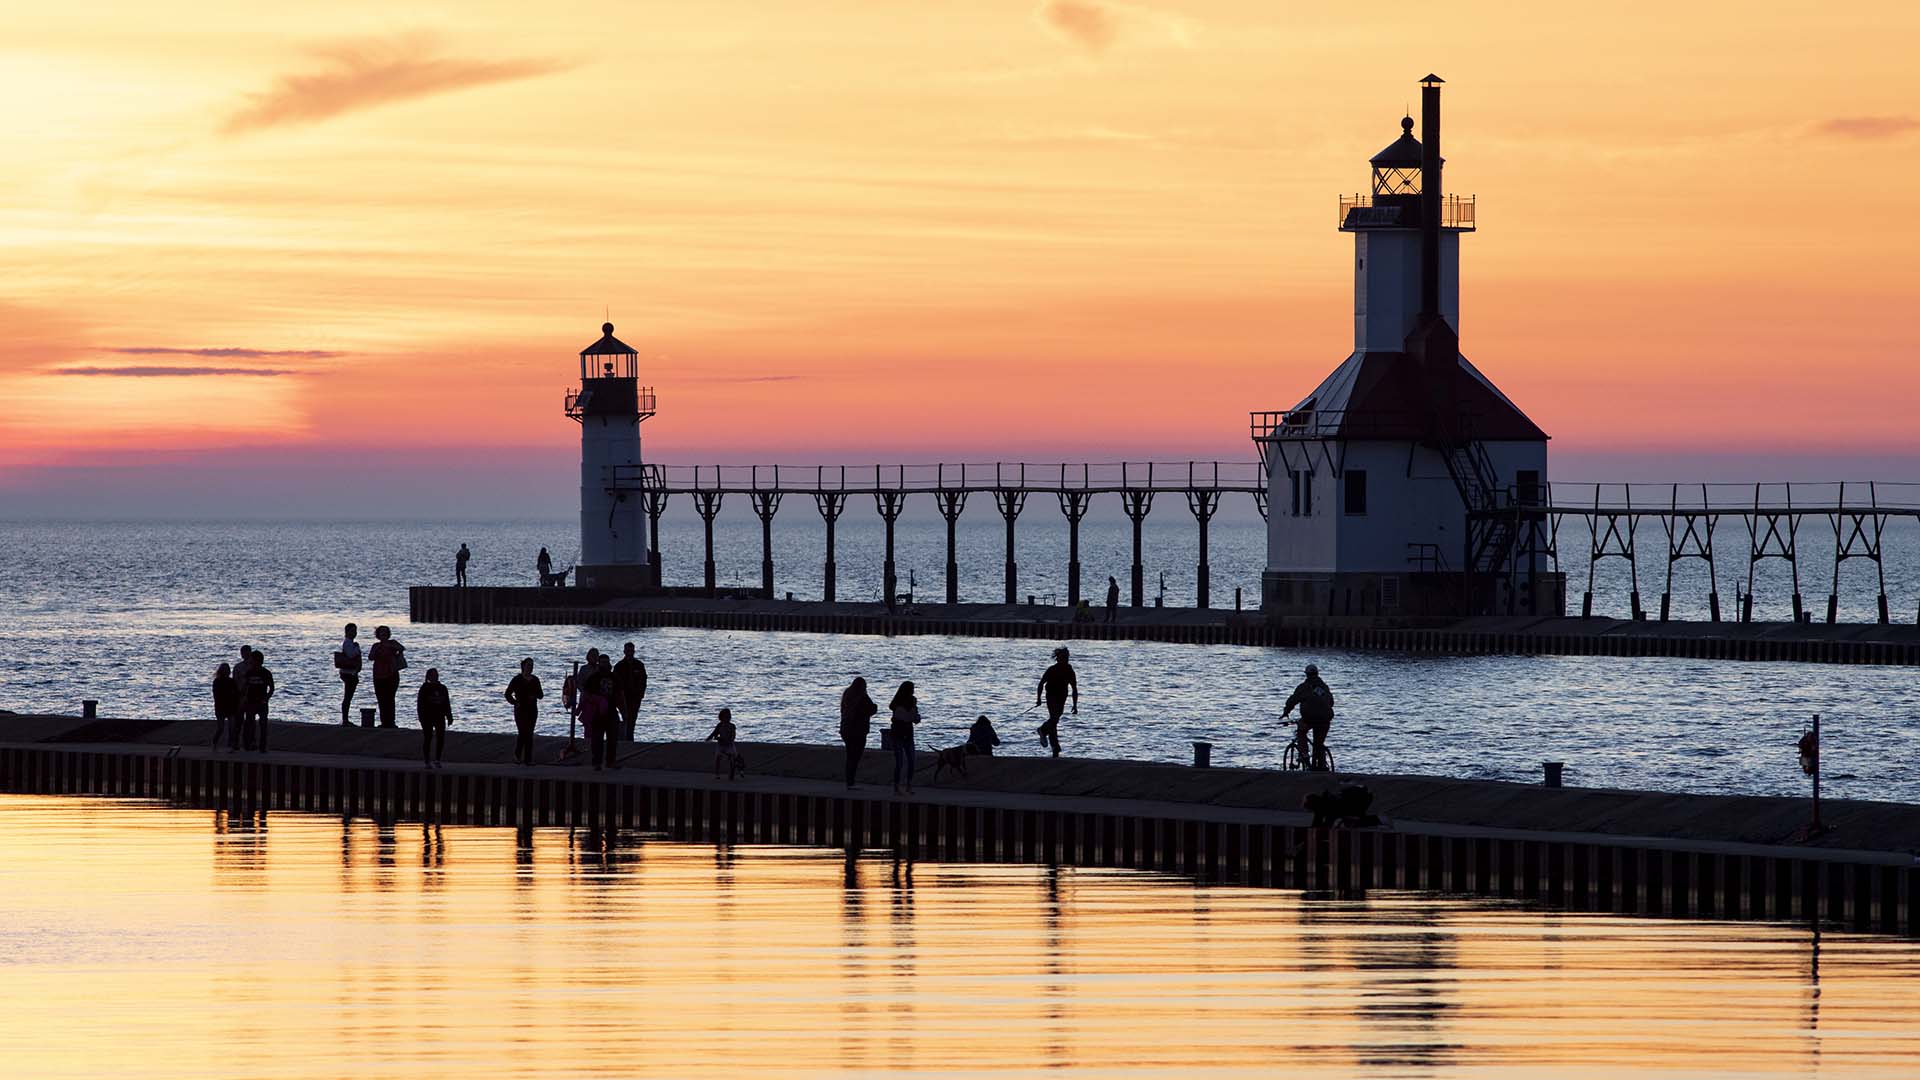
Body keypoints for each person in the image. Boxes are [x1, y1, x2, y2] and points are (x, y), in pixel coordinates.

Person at [1280, 663, 1335, 771]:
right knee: (1318, 743)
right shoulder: (1324, 687)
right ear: (1317, 674)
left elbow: (1293, 700)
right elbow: (1331, 702)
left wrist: (1286, 712)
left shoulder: (1303, 687)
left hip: (1309, 718)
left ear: (1306, 675)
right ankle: (1322, 766)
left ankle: (1304, 754)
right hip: (1325, 719)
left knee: (1301, 732)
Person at [1034, 647, 1078, 757]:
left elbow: (1074, 688)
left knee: (1054, 721)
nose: (1066, 660)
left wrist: (1075, 705)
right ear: (1058, 659)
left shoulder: (1069, 671)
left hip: (1062, 698)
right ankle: (1044, 732)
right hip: (1051, 697)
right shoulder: (1052, 670)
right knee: (1054, 719)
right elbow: (1041, 684)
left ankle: (1054, 748)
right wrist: (1038, 699)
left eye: (1067, 657)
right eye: (1063, 657)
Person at [580, 652, 618, 771]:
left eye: (606, 662)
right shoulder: (593, 678)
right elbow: (586, 693)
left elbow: (620, 694)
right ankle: (597, 761)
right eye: (602, 662)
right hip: (597, 713)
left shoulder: (614, 677)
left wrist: (624, 711)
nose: (604, 665)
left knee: (612, 738)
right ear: (599, 663)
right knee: (597, 739)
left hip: (611, 711)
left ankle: (610, 761)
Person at [839, 676, 877, 789]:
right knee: (855, 757)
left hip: (846, 730)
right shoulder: (863, 696)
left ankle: (849, 781)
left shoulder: (847, 695)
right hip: (859, 731)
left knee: (850, 755)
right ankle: (850, 782)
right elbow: (872, 709)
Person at [504, 658, 544, 766]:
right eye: (528, 665)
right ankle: (517, 755)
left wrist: (534, 695)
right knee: (522, 732)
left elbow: (541, 695)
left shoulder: (535, 679)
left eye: (532, 665)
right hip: (520, 709)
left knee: (529, 733)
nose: (530, 667)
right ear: (523, 666)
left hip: (532, 709)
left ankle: (528, 759)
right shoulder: (517, 679)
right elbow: (507, 694)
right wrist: (514, 702)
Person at [368, 625, 406, 728]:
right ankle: (384, 722)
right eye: (381, 632)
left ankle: (391, 721)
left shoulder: (393, 643)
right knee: (381, 699)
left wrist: (391, 647)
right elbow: (370, 657)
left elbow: (402, 648)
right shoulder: (376, 646)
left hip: (391, 674)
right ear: (378, 635)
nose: (383, 634)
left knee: (390, 698)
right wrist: (379, 648)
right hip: (378, 675)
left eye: (385, 632)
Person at [240, 649, 275, 753]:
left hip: (261, 703)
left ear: (257, 661)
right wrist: (242, 699)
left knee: (263, 725)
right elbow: (245, 687)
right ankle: (249, 744)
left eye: (252, 660)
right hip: (250, 702)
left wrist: (266, 698)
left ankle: (262, 746)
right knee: (249, 724)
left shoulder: (266, 673)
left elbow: (272, 688)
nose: (250, 662)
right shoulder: (249, 672)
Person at [888, 681, 920, 796]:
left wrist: (914, 717)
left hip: (903, 733)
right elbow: (912, 718)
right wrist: (913, 717)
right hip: (900, 734)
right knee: (903, 761)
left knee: (907, 761)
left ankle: (905, 786)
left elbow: (914, 717)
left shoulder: (907, 701)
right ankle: (901, 786)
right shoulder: (900, 703)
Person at [416, 667, 452, 769]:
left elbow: (446, 703)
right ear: (428, 677)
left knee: (440, 738)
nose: (435, 677)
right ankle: (427, 761)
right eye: (432, 675)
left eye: (436, 675)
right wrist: (421, 717)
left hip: (440, 716)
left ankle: (437, 760)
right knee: (428, 738)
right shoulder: (424, 689)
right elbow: (420, 704)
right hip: (427, 717)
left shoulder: (443, 688)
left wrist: (449, 716)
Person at [612, 642, 648, 742]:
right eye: (628, 651)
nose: (629, 653)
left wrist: (641, 694)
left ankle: (629, 738)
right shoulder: (619, 666)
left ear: (634, 651)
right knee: (625, 717)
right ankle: (625, 738)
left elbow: (643, 680)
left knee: (633, 718)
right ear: (624, 651)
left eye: (631, 651)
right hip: (623, 696)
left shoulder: (639, 665)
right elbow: (615, 682)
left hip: (635, 697)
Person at [335, 622, 363, 726]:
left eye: (355, 631)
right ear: (347, 632)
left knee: (348, 696)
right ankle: (345, 719)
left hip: (350, 673)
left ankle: (345, 719)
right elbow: (351, 655)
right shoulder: (348, 643)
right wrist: (357, 648)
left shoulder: (350, 642)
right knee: (347, 696)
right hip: (348, 673)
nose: (354, 633)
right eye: (352, 631)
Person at [706, 708, 743, 780]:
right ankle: (717, 773)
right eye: (726, 716)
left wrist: (730, 740)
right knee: (718, 758)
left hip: (730, 744)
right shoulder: (719, 725)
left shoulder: (732, 726)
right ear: (721, 717)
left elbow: (733, 736)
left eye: (729, 716)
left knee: (734, 758)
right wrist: (710, 738)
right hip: (721, 744)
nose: (728, 718)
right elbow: (714, 733)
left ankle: (738, 771)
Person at [211, 662, 239, 751]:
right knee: (221, 728)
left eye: (228, 670)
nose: (227, 672)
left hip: (230, 707)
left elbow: (236, 693)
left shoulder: (231, 681)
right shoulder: (217, 681)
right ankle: (215, 742)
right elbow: (216, 696)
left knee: (232, 727)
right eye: (225, 670)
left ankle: (232, 745)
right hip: (221, 707)